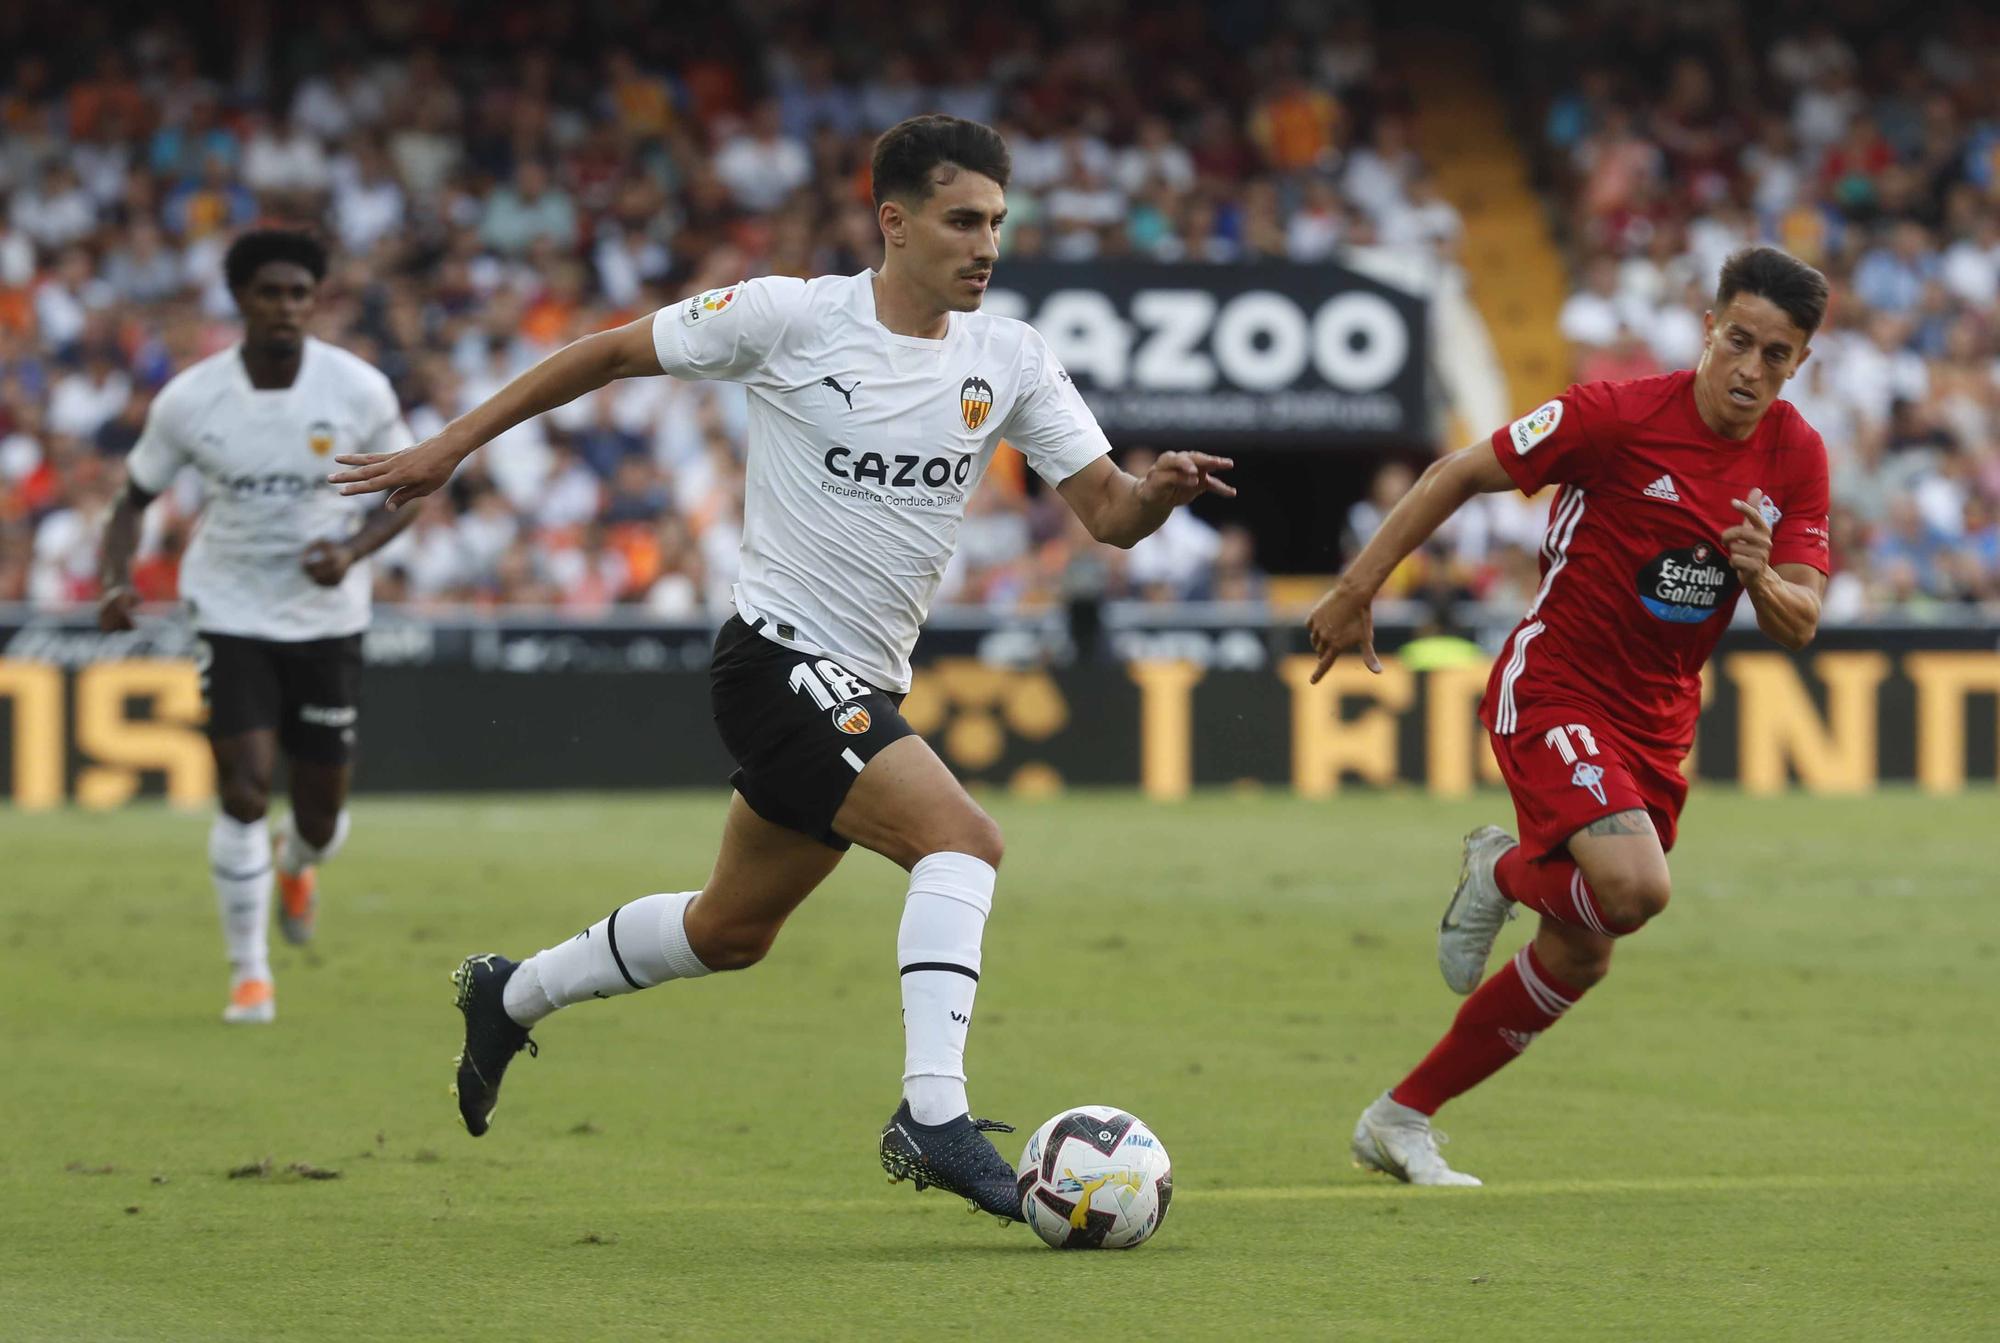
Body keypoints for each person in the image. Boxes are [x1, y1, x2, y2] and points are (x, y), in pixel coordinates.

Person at [329, 115, 1233, 1222]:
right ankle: (933, 1114)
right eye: (962, 220)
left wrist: (1157, 491)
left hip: (862, 681)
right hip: (775, 662)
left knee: (728, 932)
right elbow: (606, 350)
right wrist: (448, 446)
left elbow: (1106, 514)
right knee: (964, 840)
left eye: (996, 221)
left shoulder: (1010, 357)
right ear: (892, 223)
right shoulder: (790, 316)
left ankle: (507, 993)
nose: (985, 243)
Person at [1306, 246, 1832, 1185]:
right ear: (1708, 329)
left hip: (1657, 724)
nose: (1752, 370)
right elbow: (1458, 471)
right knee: (1636, 890)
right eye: (1740, 341)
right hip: (1554, 686)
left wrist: (1757, 574)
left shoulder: (1796, 453)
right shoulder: (1617, 415)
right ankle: (1503, 867)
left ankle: (1400, 1117)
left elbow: (1801, 619)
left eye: (1778, 355)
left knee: (1584, 948)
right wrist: (1356, 588)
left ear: (1799, 364)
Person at [97, 228, 416, 1024]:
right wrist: (114, 579)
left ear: (316, 302)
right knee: (241, 788)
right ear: (241, 299)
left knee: (319, 817)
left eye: (300, 294)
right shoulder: (189, 400)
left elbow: (413, 487)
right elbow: (131, 501)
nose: (285, 306)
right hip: (229, 607)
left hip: (326, 617)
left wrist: (351, 549)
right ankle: (250, 974)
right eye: (270, 292)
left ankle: (300, 864)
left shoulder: (359, 390)